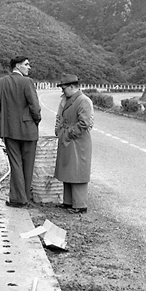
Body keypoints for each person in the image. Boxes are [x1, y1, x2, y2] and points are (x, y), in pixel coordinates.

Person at [0, 55, 41, 208]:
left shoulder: (0, 83)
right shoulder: (27, 82)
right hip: (28, 130)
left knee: (15, 163)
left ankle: (18, 198)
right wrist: (36, 121)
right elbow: (35, 107)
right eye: (26, 64)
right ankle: (23, 197)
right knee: (28, 164)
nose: (29, 67)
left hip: (9, 130)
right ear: (17, 66)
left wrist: (3, 122)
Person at [54, 74, 94, 214]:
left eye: (64, 88)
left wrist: (70, 133)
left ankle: (80, 204)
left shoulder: (83, 101)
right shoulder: (68, 99)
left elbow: (85, 122)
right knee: (68, 170)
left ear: (72, 87)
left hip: (78, 141)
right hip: (69, 138)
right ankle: (68, 201)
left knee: (77, 172)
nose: (62, 92)